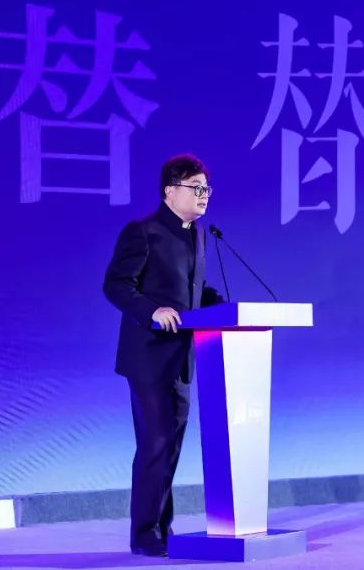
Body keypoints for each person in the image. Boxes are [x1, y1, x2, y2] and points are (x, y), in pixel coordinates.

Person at [103, 153, 223, 557]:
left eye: (206, 188)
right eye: (196, 187)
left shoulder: (198, 235)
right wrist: (151, 311)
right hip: (147, 358)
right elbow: (116, 285)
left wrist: (222, 306)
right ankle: (143, 534)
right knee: (155, 442)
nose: (204, 194)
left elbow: (190, 291)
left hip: (183, 359)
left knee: (170, 445)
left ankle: (162, 528)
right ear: (170, 191)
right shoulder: (143, 232)